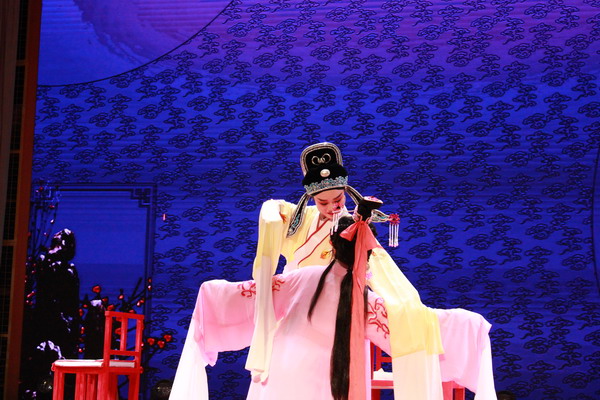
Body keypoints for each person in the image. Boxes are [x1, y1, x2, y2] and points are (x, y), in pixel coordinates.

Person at [170, 200, 497, 399]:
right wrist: (469, 325)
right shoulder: (364, 299)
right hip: (332, 380)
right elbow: (415, 323)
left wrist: (212, 291)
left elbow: (248, 294)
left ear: (333, 246)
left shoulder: (301, 278)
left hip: (283, 371)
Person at [247, 143, 444, 398]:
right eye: (323, 202)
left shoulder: (351, 226)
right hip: (295, 311)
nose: (332, 207)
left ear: (347, 193)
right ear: (310, 198)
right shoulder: (299, 219)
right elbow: (271, 208)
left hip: (337, 315)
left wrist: (404, 303)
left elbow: (374, 268)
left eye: (338, 200)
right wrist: (271, 214)